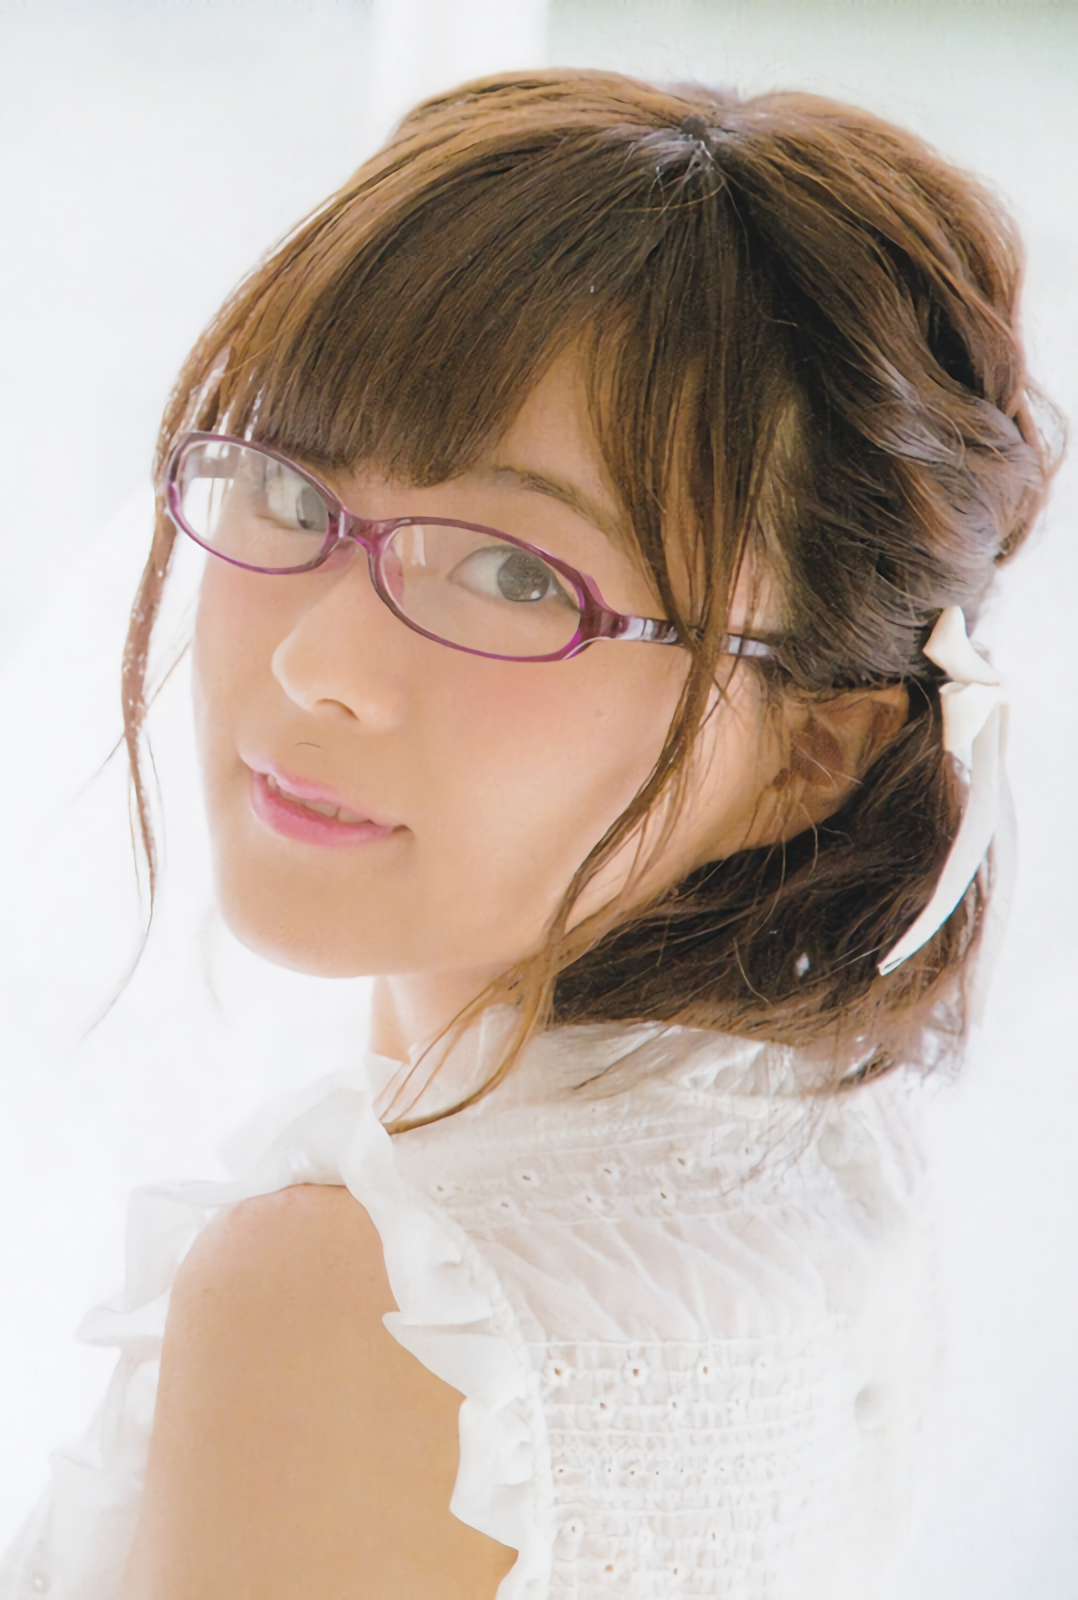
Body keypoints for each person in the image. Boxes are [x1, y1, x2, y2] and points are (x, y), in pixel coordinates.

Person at [1, 68, 1052, 1600]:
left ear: (810, 750)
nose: (315, 667)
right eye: (288, 488)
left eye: (511, 576)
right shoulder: (812, 1143)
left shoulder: (355, 1301)